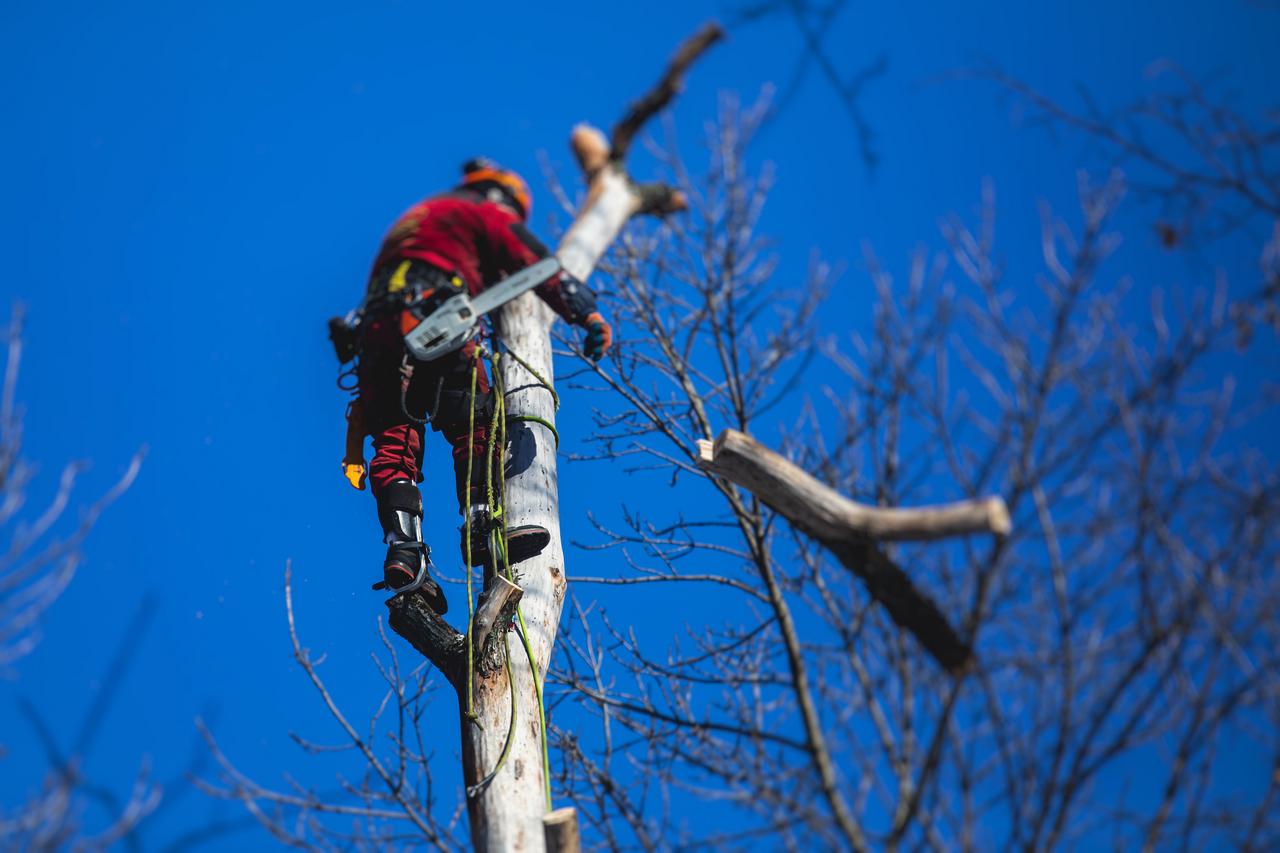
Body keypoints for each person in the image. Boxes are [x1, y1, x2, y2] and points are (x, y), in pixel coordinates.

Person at [344, 158, 612, 614]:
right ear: (498, 196)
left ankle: (404, 553)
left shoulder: (419, 219)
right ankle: (483, 527)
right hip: (437, 313)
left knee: (396, 440)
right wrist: (583, 309)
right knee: (474, 417)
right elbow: (531, 259)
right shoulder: (483, 212)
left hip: (377, 333)